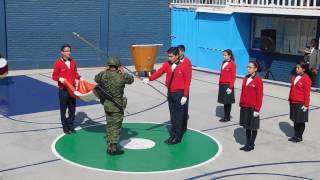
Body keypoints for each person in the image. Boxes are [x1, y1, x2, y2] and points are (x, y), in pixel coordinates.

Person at [143, 47, 192, 145]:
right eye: (168, 56)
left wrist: (185, 95)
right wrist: (149, 78)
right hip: (170, 93)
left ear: (177, 56)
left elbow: (187, 81)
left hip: (180, 93)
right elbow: (160, 72)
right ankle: (173, 134)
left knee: (178, 116)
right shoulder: (167, 64)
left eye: (171, 56)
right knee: (173, 115)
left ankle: (177, 137)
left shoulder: (185, 65)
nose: (169, 58)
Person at [94, 56, 134, 155]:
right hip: (117, 106)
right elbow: (131, 79)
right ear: (117, 66)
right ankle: (114, 147)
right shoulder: (121, 76)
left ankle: (109, 144)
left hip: (107, 105)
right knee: (116, 127)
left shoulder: (103, 75)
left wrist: (104, 71)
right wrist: (123, 71)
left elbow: (96, 78)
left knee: (109, 125)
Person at [52, 44, 82, 134]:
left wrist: (80, 78)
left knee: (72, 109)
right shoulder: (58, 63)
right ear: (62, 52)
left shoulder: (73, 62)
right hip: (63, 90)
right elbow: (54, 76)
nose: (69, 52)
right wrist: (59, 79)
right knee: (63, 109)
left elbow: (75, 73)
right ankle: (65, 126)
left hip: (72, 90)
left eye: (69, 50)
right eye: (67, 51)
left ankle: (70, 125)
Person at [239, 60, 263, 152]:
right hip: (245, 106)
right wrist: (241, 102)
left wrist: (257, 109)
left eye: (250, 67)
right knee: (247, 126)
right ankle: (247, 143)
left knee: (253, 126)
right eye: (248, 67)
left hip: (253, 107)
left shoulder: (258, 80)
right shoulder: (245, 78)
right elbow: (242, 92)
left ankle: (251, 144)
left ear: (255, 69)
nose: (248, 69)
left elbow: (260, 96)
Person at [288, 60, 312, 143]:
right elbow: (292, 89)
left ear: (303, 69)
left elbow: (307, 93)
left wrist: (306, 105)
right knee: (295, 120)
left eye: (298, 67)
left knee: (300, 121)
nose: (296, 69)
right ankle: (295, 135)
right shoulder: (294, 76)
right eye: (296, 67)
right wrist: (290, 99)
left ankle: (299, 136)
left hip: (300, 103)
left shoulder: (306, 79)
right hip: (293, 101)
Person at [218, 49, 236, 122]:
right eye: (223, 55)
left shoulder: (232, 64)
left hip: (228, 85)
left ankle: (227, 117)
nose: (224, 56)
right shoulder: (223, 62)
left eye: (225, 55)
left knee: (228, 102)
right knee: (224, 101)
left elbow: (233, 76)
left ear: (229, 55)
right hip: (222, 84)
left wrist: (230, 87)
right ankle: (225, 115)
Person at [177, 44, 192, 133]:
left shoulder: (187, 62)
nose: (177, 53)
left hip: (183, 90)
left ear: (182, 52)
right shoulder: (175, 60)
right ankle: (177, 126)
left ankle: (183, 127)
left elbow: (188, 80)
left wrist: (185, 95)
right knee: (177, 110)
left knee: (183, 110)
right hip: (176, 90)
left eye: (178, 51)